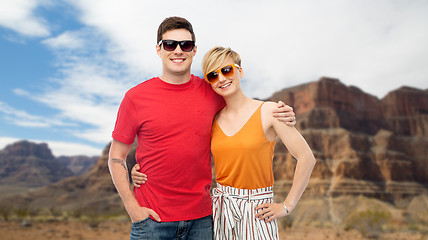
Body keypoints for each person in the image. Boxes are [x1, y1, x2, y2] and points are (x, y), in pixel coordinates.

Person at [108, 17, 296, 240]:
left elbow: (244, 108)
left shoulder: (212, 92)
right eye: (169, 44)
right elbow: (116, 157)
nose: (178, 50)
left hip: (203, 221)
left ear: (194, 50)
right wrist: (132, 208)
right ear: (159, 50)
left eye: (185, 45)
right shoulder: (135, 97)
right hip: (151, 221)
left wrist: (281, 112)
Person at [133, 46, 316, 239]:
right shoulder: (213, 120)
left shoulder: (270, 112)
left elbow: (306, 158)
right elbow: (182, 152)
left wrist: (287, 206)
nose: (221, 78)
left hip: (258, 211)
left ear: (240, 71)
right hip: (221, 210)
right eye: (212, 75)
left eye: (226, 70)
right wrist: (141, 170)